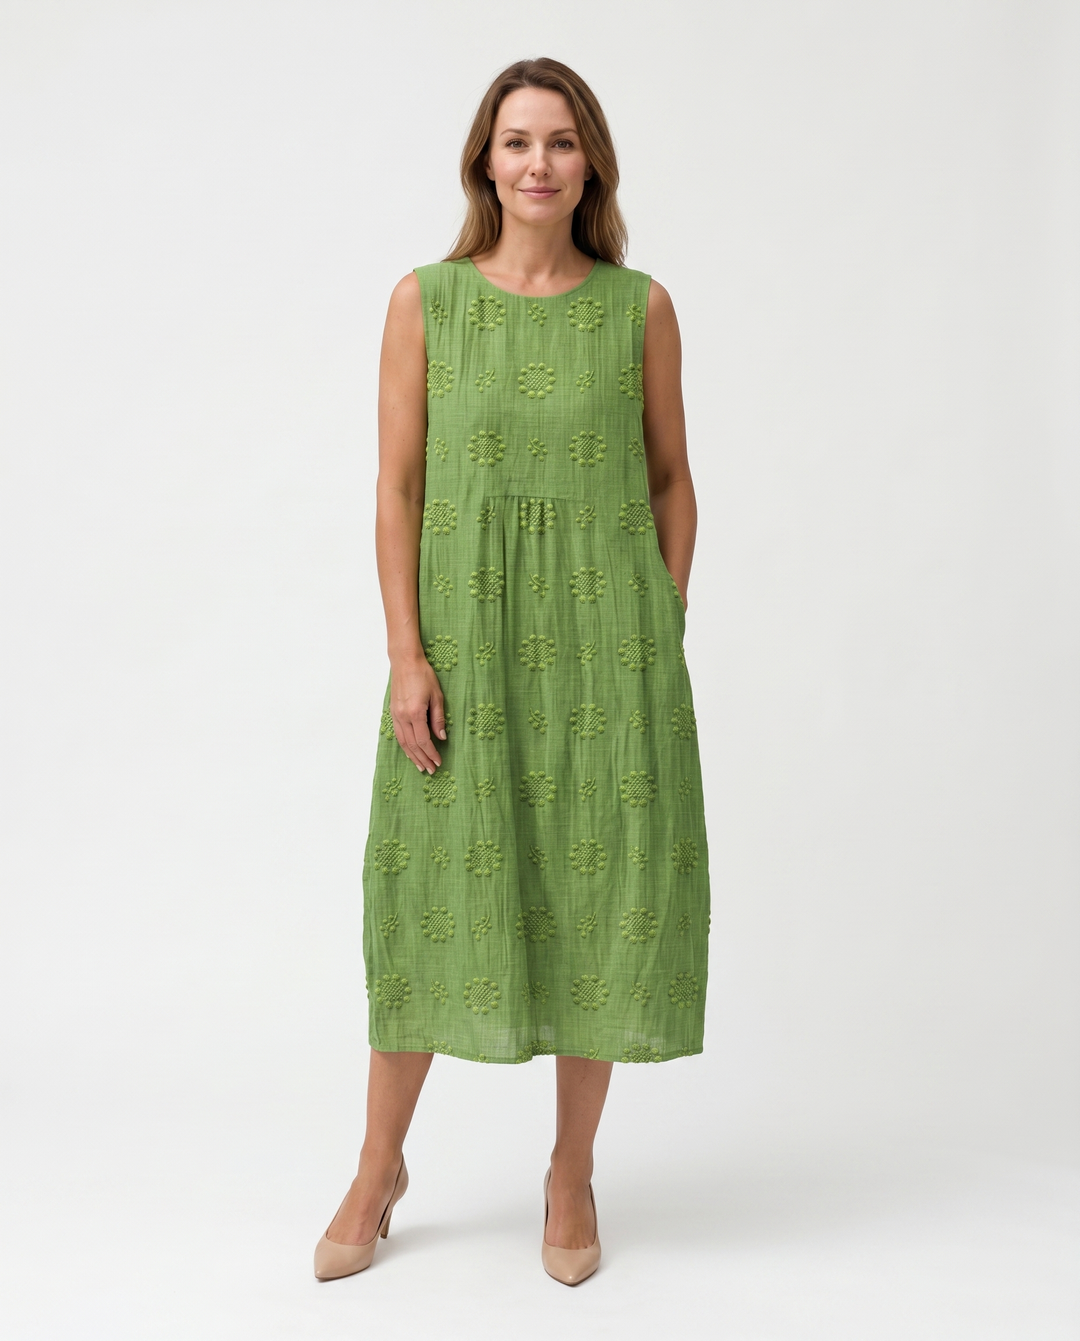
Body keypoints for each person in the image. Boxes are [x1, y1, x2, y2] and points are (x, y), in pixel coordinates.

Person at [314, 55, 710, 1287]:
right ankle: (378, 1167)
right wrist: (406, 654)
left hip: (610, 663)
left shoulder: (639, 308)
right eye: (518, 141)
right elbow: (396, 490)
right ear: (485, 164)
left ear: (591, 165)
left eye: (562, 141)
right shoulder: (425, 303)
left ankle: (571, 1172)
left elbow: (671, 481)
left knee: (598, 902)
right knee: (425, 896)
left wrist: (658, 624)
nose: (540, 162)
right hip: (465, 656)